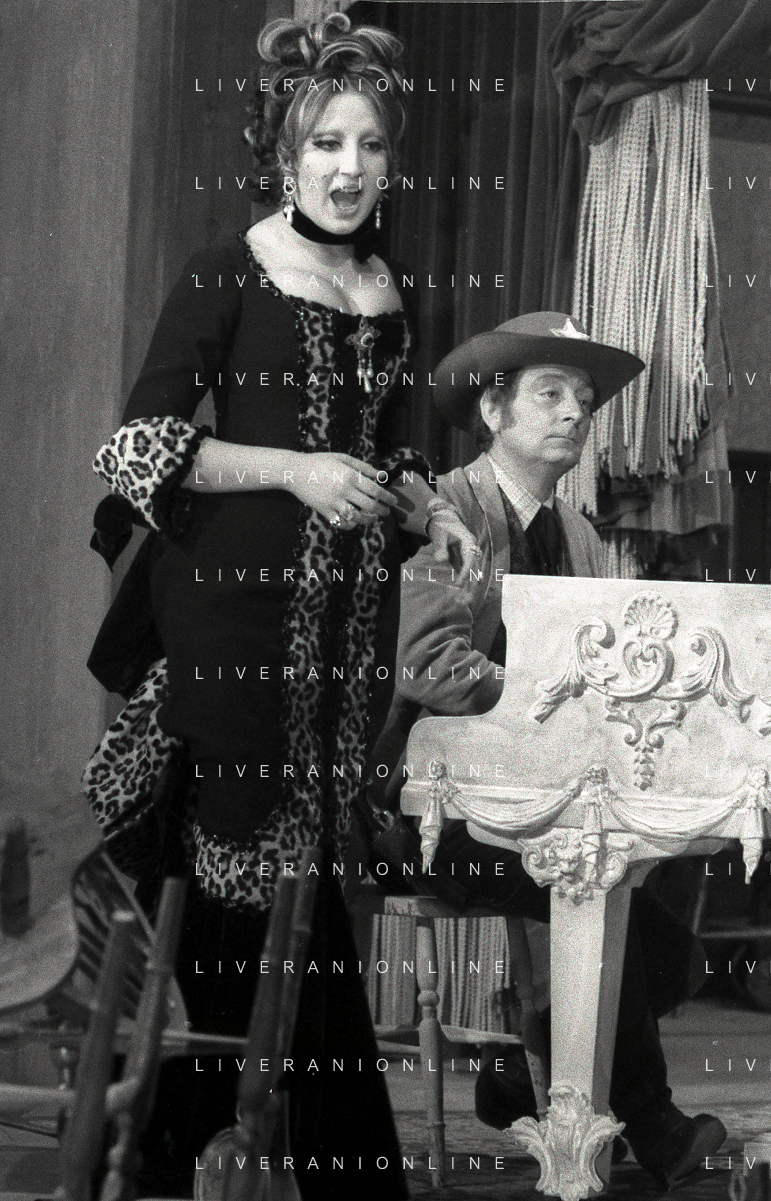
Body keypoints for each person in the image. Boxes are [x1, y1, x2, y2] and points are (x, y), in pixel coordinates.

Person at [84, 14, 478, 1196]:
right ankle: (253, 1163)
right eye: (325, 145)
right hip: (232, 630)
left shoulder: (388, 290)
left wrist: (429, 508)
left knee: (295, 910)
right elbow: (138, 448)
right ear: (285, 153)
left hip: (342, 643)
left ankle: (178, 1156)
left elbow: (381, 455)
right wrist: (293, 470)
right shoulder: (227, 270)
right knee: (245, 903)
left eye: (370, 145)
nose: (349, 169)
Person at [372, 310, 728, 1190]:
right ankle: (649, 1121)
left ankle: (518, 1055)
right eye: (550, 393)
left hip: (547, 802)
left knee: (666, 902)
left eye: (584, 400)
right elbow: (428, 666)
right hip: (433, 808)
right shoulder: (444, 510)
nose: (574, 412)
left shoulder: (578, 534)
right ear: (492, 410)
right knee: (599, 880)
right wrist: (546, 690)